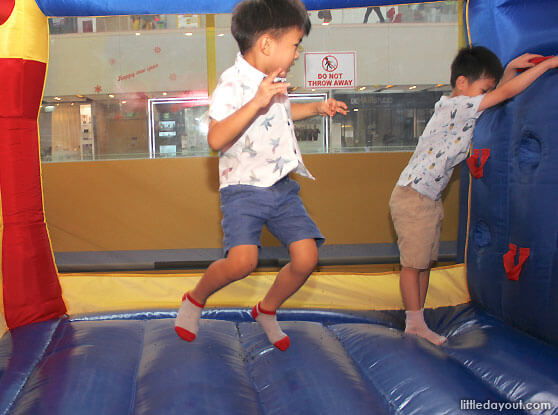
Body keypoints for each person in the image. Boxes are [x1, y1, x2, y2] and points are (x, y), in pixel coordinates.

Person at [174, 0, 348, 351]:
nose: (297, 54)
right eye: (295, 44)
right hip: (243, 189)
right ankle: (195, 298)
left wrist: (315, 108)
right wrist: (256, 101)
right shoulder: (233, 83)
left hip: (281, 187)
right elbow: (215, 138)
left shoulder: (275, 82)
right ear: (267, 44)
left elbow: (280, 115)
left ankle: (266, 309)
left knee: (306, 258)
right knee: (242, 262)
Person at [389, 46, 558, 345]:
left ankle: (418, 318)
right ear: (462, 83)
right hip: (414, 196)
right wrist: (544, 68)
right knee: (413, 264)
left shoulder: (462, 105)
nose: (486, 94)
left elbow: (496, 94)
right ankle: (413, 323)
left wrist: (509, 69)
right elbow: (503, 96)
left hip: (425, 197)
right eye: (483, 88)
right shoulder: (457, 107)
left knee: (424, 263)